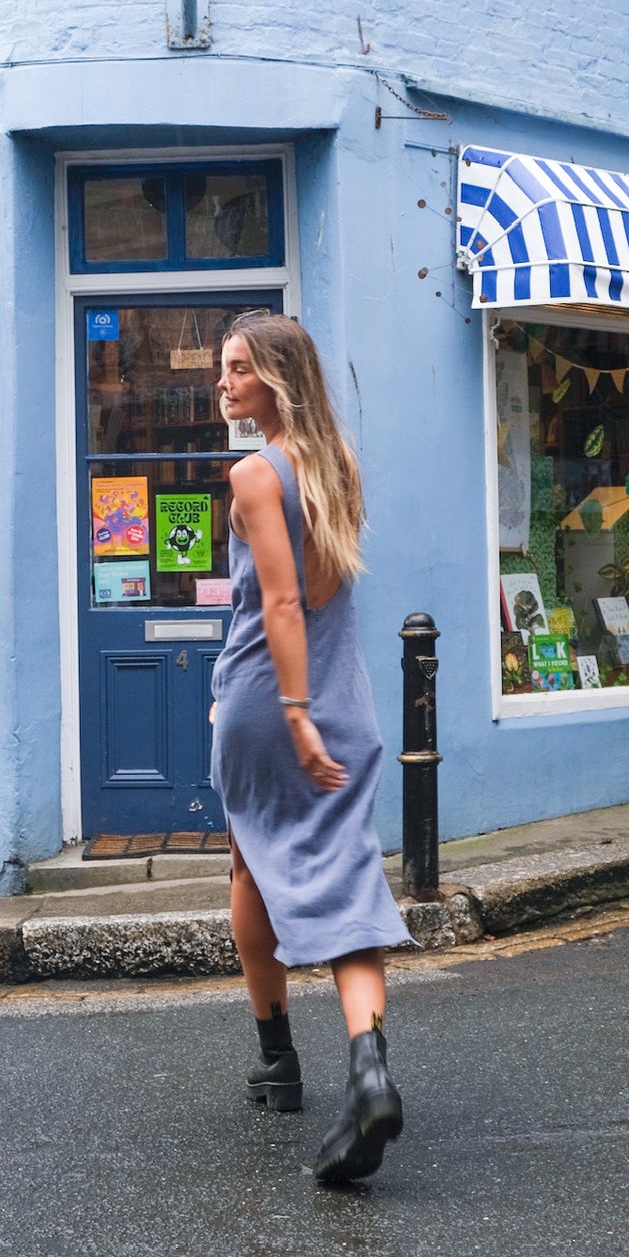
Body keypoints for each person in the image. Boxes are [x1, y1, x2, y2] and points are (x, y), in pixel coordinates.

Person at [210, 312, 412, 1186]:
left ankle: (277, 1059)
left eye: (238, 369)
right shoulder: (340, 467)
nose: (223, 384)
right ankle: (368, 1066)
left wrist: (292, 711)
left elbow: (285, 606)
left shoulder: (255, 474)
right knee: (348, 871)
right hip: (349, 701)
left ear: (277, 380)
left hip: (270, 697)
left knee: (252, 864)